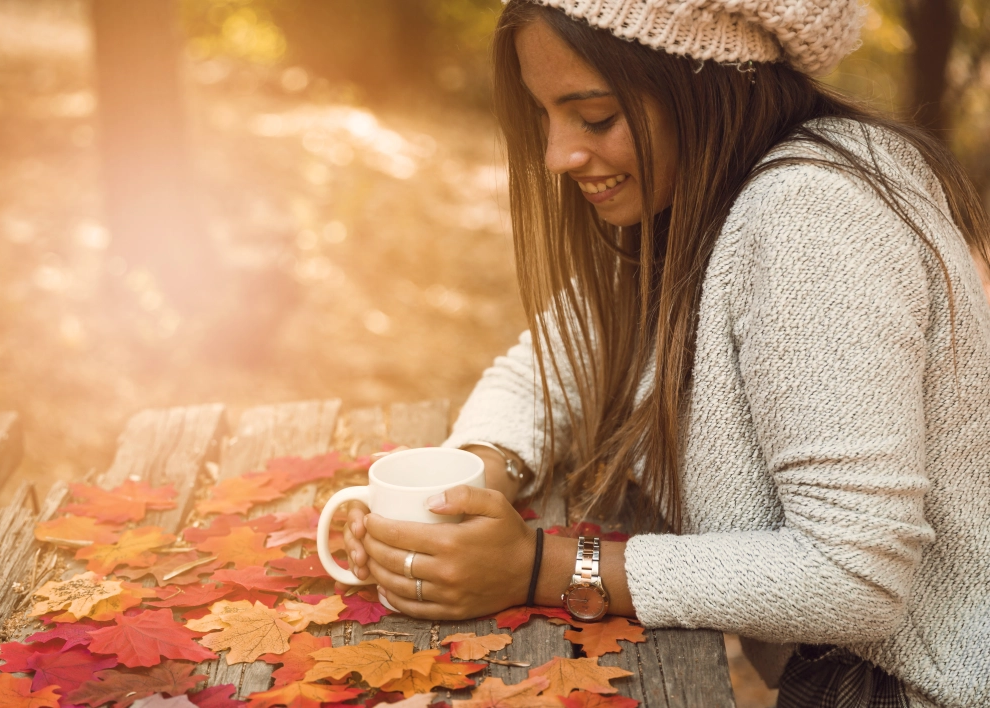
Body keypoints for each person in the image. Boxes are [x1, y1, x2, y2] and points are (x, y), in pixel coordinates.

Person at [339, 1, 990, 706]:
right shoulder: (694, 199)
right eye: (545, 116)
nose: (558, 155)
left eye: (594, 118)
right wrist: (473, 481)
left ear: (707, 83)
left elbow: (854, 576)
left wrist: (539, 568)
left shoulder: (813, 214)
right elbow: (552, 362)